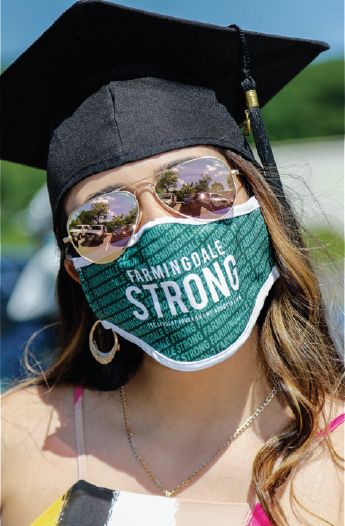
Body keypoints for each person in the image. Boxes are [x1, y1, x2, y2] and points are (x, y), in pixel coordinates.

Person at [1, 2, 344, 525]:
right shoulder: (16, 439)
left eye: (196, 184)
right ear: (77, 270)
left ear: (259, 204)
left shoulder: (337, 455)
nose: (159, 229)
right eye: (102, 219)